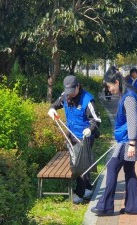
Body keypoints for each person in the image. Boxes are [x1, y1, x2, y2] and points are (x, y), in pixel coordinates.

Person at [91, 66, 137, 216]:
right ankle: (133, 207)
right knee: (129, 170)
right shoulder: (128, 93)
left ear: (116, 82)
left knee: (112, 168)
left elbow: (133, 122)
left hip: (129, 140)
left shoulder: (128, 97)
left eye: (109, 86)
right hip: (129, 138)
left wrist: (132, 144)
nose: (108, 90)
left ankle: (105, 207)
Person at [47, 75, 101, 204]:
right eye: (68, 92)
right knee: (79, 163)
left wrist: (90, 130)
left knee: (80, 165)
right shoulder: (65, 95)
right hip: (71, 134)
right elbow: (56, 103)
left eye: (73, 91)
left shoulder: (88, 100)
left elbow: (97, 120)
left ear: (78, 86)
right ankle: (87, 188)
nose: (70, 95)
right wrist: (52, 109)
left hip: (84, 136)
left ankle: (80, 194)